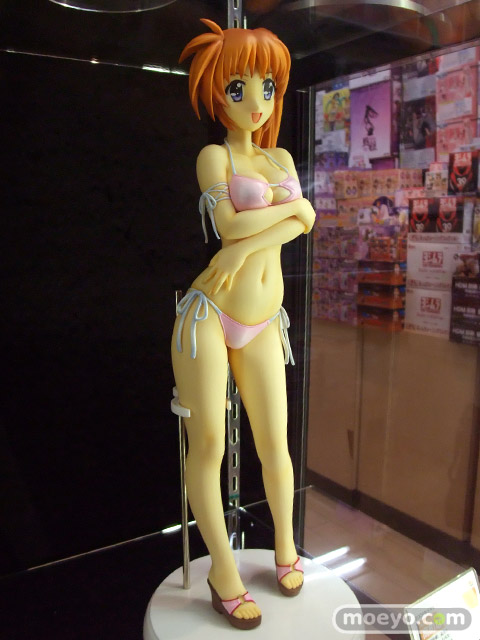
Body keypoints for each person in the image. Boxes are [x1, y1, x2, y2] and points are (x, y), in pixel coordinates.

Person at [171, 19, 315, 630]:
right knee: (209, 444)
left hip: (262, 318)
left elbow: (305, 220)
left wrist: (249, 245)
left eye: (267, 87)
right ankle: (222, 573)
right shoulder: (215, 155)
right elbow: (231, 225)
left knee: (274, 442)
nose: (255, 102)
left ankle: (285, 546)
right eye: (238, 88)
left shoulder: (278, 157)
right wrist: (289, 211)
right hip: (209, 313)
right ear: (216, 92)